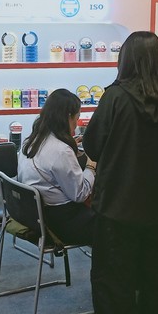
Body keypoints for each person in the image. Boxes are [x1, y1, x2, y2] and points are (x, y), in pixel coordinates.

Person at [82, 31, 158, 314]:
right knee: (157, 277)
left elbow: (92, 145)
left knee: (113, 280)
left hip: (116, 204)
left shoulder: (115, 97)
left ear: (125, 59)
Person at [17, 88, 96, 246]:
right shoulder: (61, 151)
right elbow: (80, 194)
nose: (76, 124)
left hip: (36, 216)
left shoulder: (30, 141)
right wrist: (91, 166)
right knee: (114, 223)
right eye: (77, 118)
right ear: (68, 117)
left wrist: (69, 144)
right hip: (62, 223)